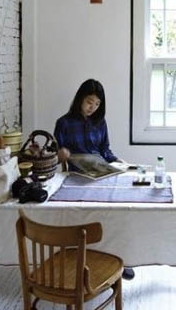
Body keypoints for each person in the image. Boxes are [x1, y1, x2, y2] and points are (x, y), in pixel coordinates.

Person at [54, 79, 135, 280]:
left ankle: (120, 259)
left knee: (119, 212)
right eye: (89, 102)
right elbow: (56, 154)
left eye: (97, 104)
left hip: (102, 172)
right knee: (88, 216)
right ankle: (88, 258)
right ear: (80, 99)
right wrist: (61, 154)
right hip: (77, 176)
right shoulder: (64, 123)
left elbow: (105, 150)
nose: (93, 107)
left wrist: (118, 161)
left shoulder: (100, 122)